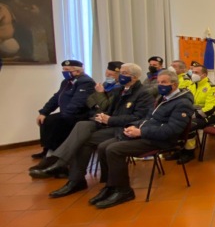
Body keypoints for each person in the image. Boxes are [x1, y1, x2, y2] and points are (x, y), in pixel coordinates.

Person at [36, 63, 154, 196]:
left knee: (82, 141)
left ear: (134, 77)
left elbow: (138, 117)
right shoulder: (119, 90)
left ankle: (70, 175)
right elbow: (107, 109)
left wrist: (110, 119)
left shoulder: (143, 93)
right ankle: (64, 167)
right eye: (120, 72)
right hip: (109, 124)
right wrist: (101, 116)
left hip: (123, 128)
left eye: (124, 73)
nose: (120, 75)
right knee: (82, 125)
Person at [89, 70, 195, 209]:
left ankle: (123, 191)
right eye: (159, 82)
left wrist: (141, 132)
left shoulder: (182, 103)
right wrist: (133, 126)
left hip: (161, 140)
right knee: (103, 146)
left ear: (174, 85)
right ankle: (111, 186)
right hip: (147, 134)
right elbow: (148, 118)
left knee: (114, 149)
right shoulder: (162, 98)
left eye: (164, 82)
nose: (160, 85)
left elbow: (171, 130)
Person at [33, 59, 96, 162]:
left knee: (54, 121)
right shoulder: (66, 82)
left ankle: (55, 154)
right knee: (45, 119)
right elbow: (56, 98)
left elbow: (78, 102)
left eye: (67, 70)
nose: (64, 72)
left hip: (78, 115)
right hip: (66, 113)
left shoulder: (85, 82)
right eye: (63, 69)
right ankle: (47, 149)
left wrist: (65, 115)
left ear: (77, 71)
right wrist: (44, 112)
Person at [173, 61, 215, 164]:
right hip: (192, 113)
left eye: (197, 72)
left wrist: (193, 115)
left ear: (204, 75)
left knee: (188, 125)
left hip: (209, 116)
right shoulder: (191, 85)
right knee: (176, 121)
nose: (193, 74)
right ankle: (180, 149)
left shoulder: (212, 87)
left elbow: (210, 108)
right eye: (193, 72)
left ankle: (189, 152)